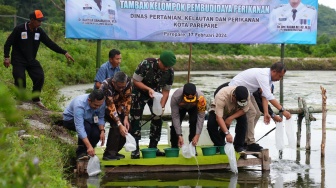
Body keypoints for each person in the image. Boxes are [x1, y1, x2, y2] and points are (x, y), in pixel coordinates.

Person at [3, 10, 75, 109]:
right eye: (39, 21)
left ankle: (36, 99)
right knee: (20, 78)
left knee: (39, 76)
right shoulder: (19, 29)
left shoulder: (39, 31)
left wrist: (64, 52)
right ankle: (20, 99)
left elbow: (50, 43)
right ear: (32, 20)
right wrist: (6, 57)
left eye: (41, 21)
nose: (40, 23)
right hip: (18, 60)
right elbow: (8, 43)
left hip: (31, 59)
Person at [229, 62, 292, 152]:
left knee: (257, 113)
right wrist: (282, 110)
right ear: (274, 71)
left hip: (248, 92)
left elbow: (264, 96)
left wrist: (266, 113)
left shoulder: (269, 79)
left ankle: (247, 140)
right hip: (236, 90)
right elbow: (269, 96)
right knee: (252, 112)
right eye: (280, 76)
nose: (280, 79)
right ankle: (250, 142)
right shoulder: (263, 75)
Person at [130, 51, 176, 159]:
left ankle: (153, 147)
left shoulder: (170, 72)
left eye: (168, 67)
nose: (166, 68)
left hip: (155, 95)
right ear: (159, 60)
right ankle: (135, 149)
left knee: (157, 117)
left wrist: (162, 106)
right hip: (139, 93)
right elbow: (136, 81)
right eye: (165, 66)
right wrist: (148, 89)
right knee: (135, 119)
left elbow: (166, 90)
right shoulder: (146, 64)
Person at [62, 89, 106, 160]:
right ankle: (81, 152)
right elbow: (80, 127)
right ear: (89, 100)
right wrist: (88, 146)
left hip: (89, 120)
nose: (97, 107)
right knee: (86, 127)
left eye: (99, 105)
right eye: (95, 105)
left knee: (96, 133)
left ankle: (89, 151)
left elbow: (100, 117)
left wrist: (102, 131)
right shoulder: (79, 104)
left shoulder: (101, 102)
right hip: (70, 119)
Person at [207, 86, 250, 152]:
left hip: (236, 109)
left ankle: (238, 146)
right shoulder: (221, 97)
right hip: (220, 109)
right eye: (238, 101)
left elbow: (244, 110)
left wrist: (230, 118)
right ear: (233, 96)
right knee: (211, 124)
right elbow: (219, 118)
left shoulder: (246, 95)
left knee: (243, 121)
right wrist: (227, 133)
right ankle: (220, 145)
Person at [100, 72, 132, 160]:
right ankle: (108, 154)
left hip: (119, 106)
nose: (121, 89)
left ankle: (115, 151)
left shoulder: (128, 81)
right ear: (114, 82)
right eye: (119, 87)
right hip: (104, 108)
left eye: (123, 87)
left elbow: (128, 99)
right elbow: (111, 108)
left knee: (127, 126)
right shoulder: (106, 86)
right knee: (116, 126)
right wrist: (119, 123)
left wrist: (126, 117)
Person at [170, 83, 207, 149]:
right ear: (184, 95)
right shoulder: (176, 97)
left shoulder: (201, 98)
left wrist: (197, 135)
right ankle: (174, 146)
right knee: (174, 124)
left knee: (194, 121)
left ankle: (192, 146)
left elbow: (201, 117)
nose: (189, 101)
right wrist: (179, 135)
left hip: (194, 107)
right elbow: (175, 117)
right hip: (180, 108)